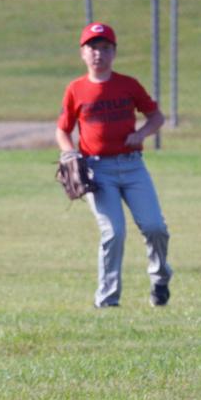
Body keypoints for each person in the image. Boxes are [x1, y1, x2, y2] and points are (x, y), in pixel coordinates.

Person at [56, 22, 172, 308]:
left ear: (114, 52)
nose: (99, 54)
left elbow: (156, 117)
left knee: (155, 226)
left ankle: (159, 277)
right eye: (92, 48)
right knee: (114, 231)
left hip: (132, 166)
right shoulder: (76, 89)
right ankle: (107, 299)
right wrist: (70, 153)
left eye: (105, 48)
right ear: (83, 54)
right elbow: (62, 130)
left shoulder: (128, 85)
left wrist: (142, 134)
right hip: (97, 170)